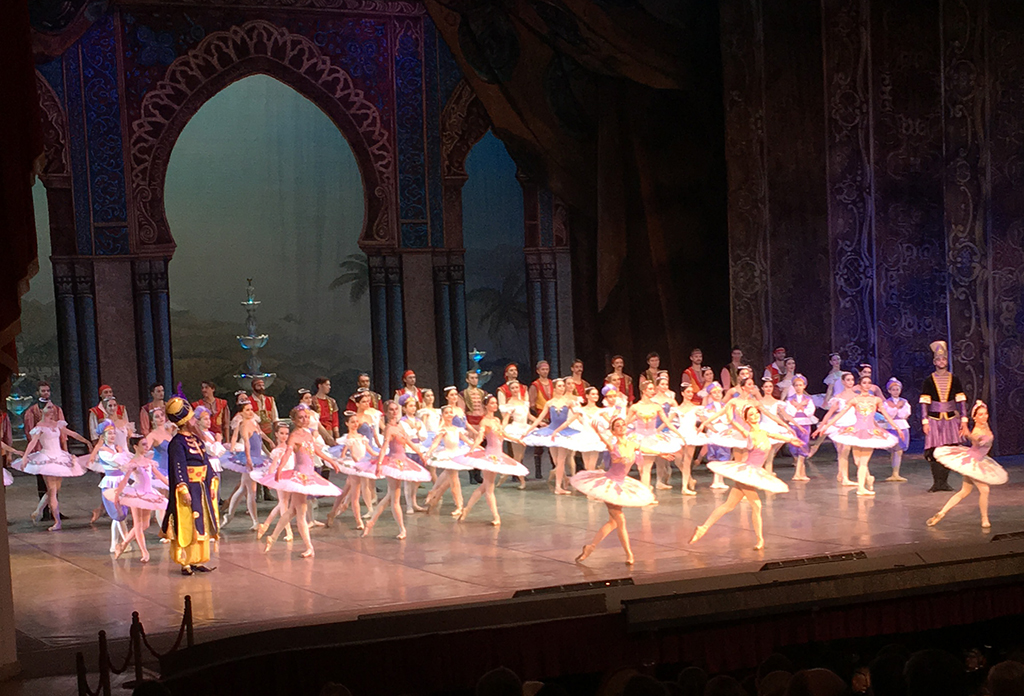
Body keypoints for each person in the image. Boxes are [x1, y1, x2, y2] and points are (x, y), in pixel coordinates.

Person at [690, 406, 798, 550]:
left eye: (756, 413)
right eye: (751, 415)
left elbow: (775, 436)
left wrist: (791, 440)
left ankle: (703, 528)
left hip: (754, 472)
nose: (755, 416)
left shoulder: (763, 432)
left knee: (729, 505)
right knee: (756, 505)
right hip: (747, 473)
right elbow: (738, 427)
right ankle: (760, 540)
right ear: (746, 419)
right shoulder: (749, 434)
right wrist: (732, 420)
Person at [261, 406, 343, 558]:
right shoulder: (294, 436)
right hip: (300, 477)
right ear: (294, 420)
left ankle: (272, 537)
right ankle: (309, 547)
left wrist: (330, 461)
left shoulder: (308, 433)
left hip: (309, 474)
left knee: (292, 511)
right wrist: (280, 469)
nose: (304, 420)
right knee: (301, 513)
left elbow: (316, 450)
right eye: (301, 417)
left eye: (306, 417)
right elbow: (287, 453)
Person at [571, 417, 655, 565]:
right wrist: (598, 432)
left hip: (622, 484)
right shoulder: (613, 446)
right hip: (609, 485)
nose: (622, 427)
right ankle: (629, 554)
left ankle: (590, 547)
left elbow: (645, 449)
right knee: (620, 520)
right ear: (613, 431)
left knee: (613, 522)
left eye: (623, 425)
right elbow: (606, 442)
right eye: (618, 426)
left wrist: (662, 454)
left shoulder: (632, 444)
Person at [160, 396, 219, 576]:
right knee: (188, 523)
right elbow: (178, 468)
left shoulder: (197, 440)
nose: (195, 421)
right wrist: (183, 488)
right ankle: (185, 561)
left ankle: (198, 559)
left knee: (201, 523)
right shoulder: (177, 443)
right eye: (192, 418)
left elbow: (206, 462)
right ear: (185, 421)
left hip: (201, 488)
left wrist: (211, 482)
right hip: (189, 488)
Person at [814, 376, 901, 497]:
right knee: (859, 461)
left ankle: (862, 486)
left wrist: (896, 427)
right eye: (864, 383)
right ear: (859, 386)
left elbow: (886, 415)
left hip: (870, 432)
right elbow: (839, 414)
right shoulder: (854, 400)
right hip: (857, 431)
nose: (867, 385)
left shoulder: (876, 400)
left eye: (869, 382)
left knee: (863, 462)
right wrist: (824, 426)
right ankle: (862, 486)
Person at [927, 400, 1007, 528]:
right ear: (975, 417)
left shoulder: (985, 425)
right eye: (980, 414)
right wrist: (968, 434)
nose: (984, 416)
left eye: (985, 413)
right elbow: (976, 440)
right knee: (984, 490)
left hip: (979, 460)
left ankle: (941, 513)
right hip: (973, 462)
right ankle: (984, 519)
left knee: (964, 491)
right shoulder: (977, 431)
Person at [12, 402, 91, 531]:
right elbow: (33, 442)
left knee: (55, 489)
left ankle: (38, 510)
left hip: (60, 457)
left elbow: (72, 434)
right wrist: (25, 456)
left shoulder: (57, 424)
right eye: (49, 407)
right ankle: (57, 522)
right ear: (42, 410)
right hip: (47, 458)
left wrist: (86, 441)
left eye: (53, 407)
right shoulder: (40, 427)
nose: (52, 409)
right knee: (52, 491)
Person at [454, 395, 528, 526]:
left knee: (485, 487)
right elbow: (480, 437)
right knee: (489, 488)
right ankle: (496, 516)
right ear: (486, 406)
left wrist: (516, 439)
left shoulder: (496, 420)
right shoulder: (484, 422)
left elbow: (503, 434)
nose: (495, 405)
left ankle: (466, 509)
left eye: (495, 403)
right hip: (490, 456)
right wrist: (473, 448)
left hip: (499, 455)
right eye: (492, 403)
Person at [363, 401, 431, 539]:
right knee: (395, 499)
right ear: (386, 413)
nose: (394, 412)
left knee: (390, 497)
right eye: (391, 410)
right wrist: (379, 464)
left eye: (396, 409)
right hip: (394, 462)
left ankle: (371, 523)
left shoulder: (399, 426)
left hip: (402, 461)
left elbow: (408, 442)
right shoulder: (389, 429)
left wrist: (421, 454)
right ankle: (402, 529)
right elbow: (384, 447)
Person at [920, 340, 968, 492]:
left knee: (949, 450)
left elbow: (961, 400)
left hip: (950, 419)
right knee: (934, 450)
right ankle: (937, 482)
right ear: (934, 362)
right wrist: (924, 420)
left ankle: (944, 482)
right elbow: (925, 401)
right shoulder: (929, 380)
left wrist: (964, 420)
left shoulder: (954, 379)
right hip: (934, 420)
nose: (941, 362)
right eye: (939, 359)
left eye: (944, 359)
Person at [223, 393, 275, 530]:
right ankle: (255, 521)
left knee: (243, 489)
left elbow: (260, 439)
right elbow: (247, 443)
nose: (251, 412)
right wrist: (249, 460)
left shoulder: (254, 423)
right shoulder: (244, 425)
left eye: (251, 409)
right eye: (247, 410)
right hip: (249, 459)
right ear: (241, 413)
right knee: (251, 491)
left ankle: (229, 515)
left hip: (257, 458)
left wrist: (269, 446)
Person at [111, 441, 169, 563]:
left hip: (149, 493)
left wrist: (174, 485)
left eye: (147, 445)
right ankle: (144, 552)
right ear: (136, 447)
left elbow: (160, 476)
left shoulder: (149, 462)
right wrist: (117, 494)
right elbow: (125, 479)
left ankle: (123, 544)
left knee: (145, 524)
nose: (147, 447)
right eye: (143, 445)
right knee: (138, 524)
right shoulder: (133, 463)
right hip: (137, 493)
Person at [523, 378, 580, 496]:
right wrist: (528, 430)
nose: (562, 388)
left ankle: (558, 487)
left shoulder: (569, 402)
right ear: (554, 388)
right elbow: (539, 418)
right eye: (559, 386)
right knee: (556, 461)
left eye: (563, 386)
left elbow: (577, 415)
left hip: (563, 432)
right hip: (551, 431)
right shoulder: (549, 403)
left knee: (561, 460)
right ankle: (565, 478)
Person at [21, 382, 67, 522]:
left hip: (56, 451)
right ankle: (44, 511)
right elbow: (30, 433)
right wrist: (32, 453)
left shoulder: (57, 409)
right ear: (38, 392)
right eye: (43, 391)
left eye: (48, 390)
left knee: (56, 484)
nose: (46, 393)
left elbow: (63, 431)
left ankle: (53, 511)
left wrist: (65, 448)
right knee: (44, 483)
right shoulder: (32, 411)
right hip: (42, 452)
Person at [422, 406, 475, 516]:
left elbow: (467, 441)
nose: (449, 414)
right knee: (454, 480)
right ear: (443, 415)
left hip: (456, 454)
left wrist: (478, 447)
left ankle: (434, 494)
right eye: (446, 413)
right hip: (447, 455)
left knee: (449, 477)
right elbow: (436, 443)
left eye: (451, 412)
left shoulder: (457, 429)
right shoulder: (443, 430)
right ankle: (459, 505)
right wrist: (428, 452)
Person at [86, 419, 130, 550]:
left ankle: (114, 545)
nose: (112, 436)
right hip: (111, 483)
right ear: (103, 436)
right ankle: (125, 542)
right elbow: (117, 462)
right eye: (109, 433)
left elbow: (125, 462)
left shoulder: (116, 448)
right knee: (118, 515)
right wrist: (120, 455)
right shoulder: (103, 451)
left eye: (113, 433)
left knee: (120, 517)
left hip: (121, 481)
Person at [784, 375, 818, 481]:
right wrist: (800, 406)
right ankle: (800, 472)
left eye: (800, 385)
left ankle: (798, 473)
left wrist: (799, 406)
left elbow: (810, 411)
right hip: (793, 424)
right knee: (794, 446)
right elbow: (789, 412)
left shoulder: (808, 399)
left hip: (805, 423)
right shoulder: (790, 399)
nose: (798, 387)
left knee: (803, 445)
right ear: (793, 386)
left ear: (804, 386)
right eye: (796, 385)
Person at [460, 371, 488, 484]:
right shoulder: (463, 394)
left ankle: (478, 474)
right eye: (472, 378)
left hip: (481, 423)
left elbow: (486, 409)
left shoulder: (483, 393)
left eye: (476, 378)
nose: (474, 380)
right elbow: (461, 412)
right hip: (470, 423)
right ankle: (471, 475)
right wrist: (467, 426)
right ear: (467, 380)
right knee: (471, 449)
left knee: (481, 448)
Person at [528, 361, 554, 479]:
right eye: (543, 369)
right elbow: (532, 403)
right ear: (538, 371)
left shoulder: (552, 383)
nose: (545, 371)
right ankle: (538, 471)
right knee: (539, 445)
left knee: (553, 444)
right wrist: (538, 417)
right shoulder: (535, 385)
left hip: (552, 416)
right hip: (540, 416)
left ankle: (554, 467)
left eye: (547, 369)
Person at [881, 378, 910, 482]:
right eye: (893, 389)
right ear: (889, 391)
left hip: (902, 426)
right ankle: (894, 472)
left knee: (899, 450)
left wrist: (896, 408)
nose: (895, 391)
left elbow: (905, 414)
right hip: (891, 426)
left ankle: (896, 473)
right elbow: (888, 415)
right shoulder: (886, 402)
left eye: (897, 389)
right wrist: (896, 408)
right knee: (893, 450)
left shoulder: (904, 402)